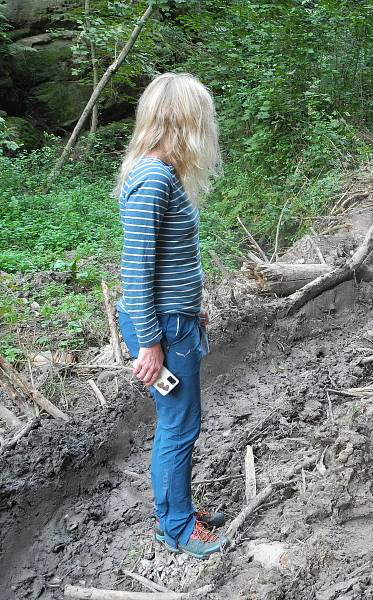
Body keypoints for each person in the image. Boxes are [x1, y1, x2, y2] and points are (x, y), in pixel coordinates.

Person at [115, 72, 225, 559]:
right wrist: (150, 342)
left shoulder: (159, 173)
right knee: (179, 423)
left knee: (179, 419)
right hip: (162, 332)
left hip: (175, 325)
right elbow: (136, 269)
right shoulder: (154, 177)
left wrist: (192, 308)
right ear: (185, 121)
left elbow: (168, 261)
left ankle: (178, 509)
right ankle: (176, 526)